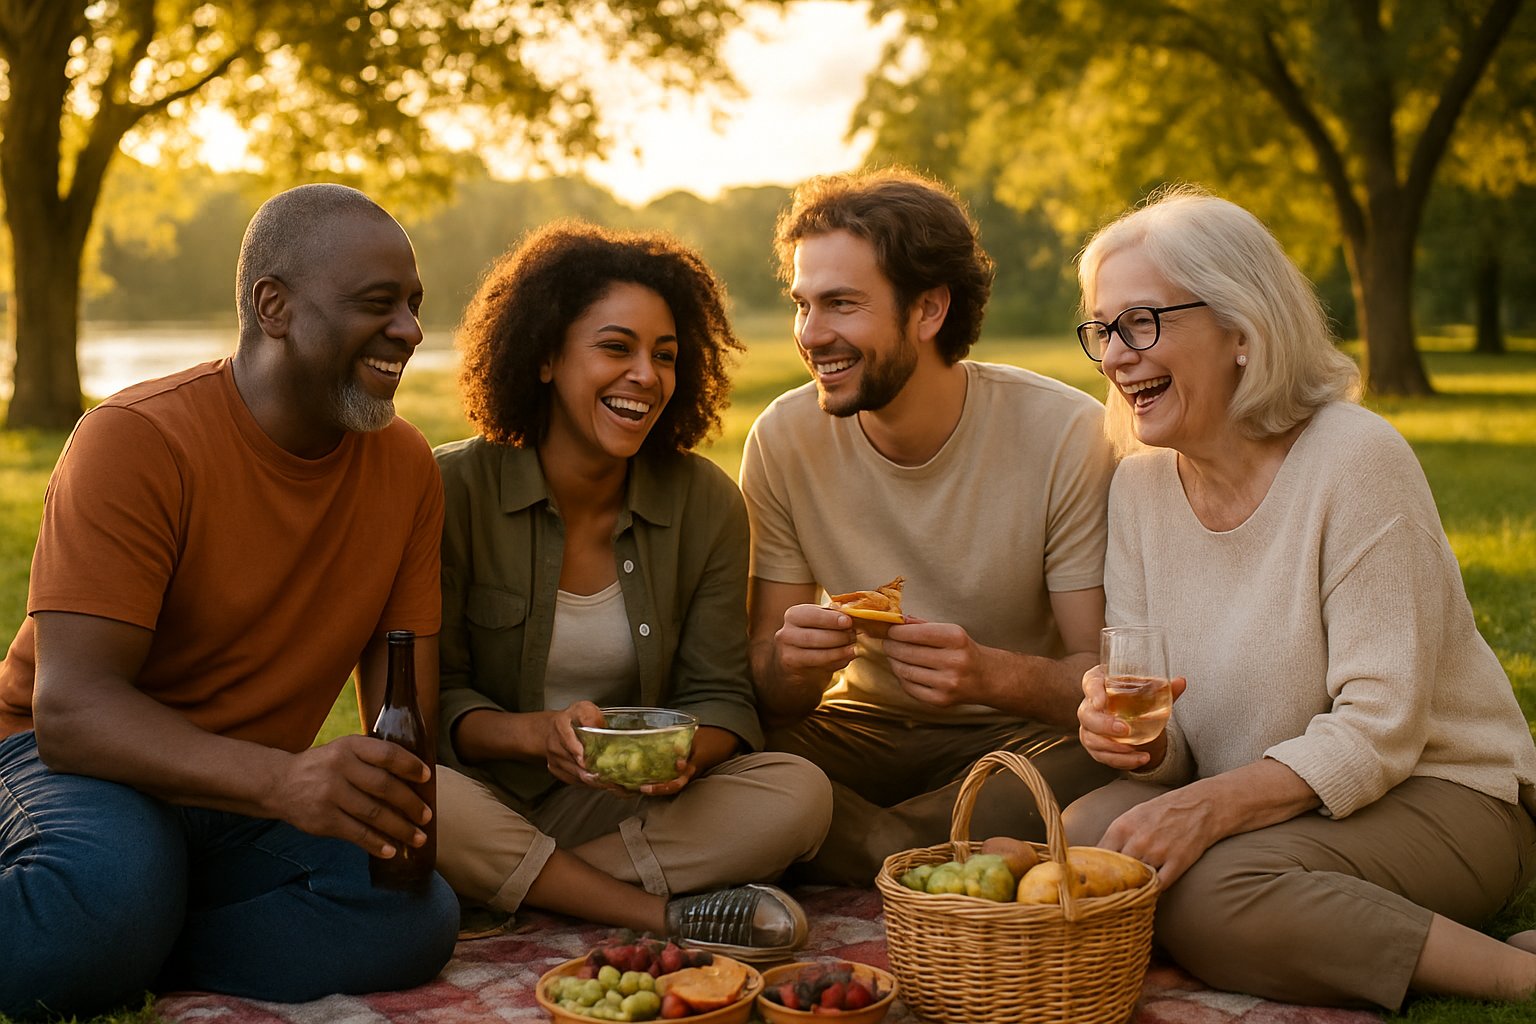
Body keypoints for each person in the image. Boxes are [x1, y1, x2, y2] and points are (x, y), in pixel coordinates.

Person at [1065, 185, 1536, 1009]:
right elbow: (1175, 745)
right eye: (1103, 330)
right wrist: (1131, 737)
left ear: (1242, 330)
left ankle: (1517, 972)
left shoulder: (1355, 458)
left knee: (1203, 893)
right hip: (1276, 793)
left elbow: (1380, 729)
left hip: (1443, 793)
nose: (1115, 355)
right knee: (1076, 838)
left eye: (1141, 323)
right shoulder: (1139, 487)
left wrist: (1208, 809)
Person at [0, 184, 460, 1019]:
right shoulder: (137, 440)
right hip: (61, 763)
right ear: (274, 306)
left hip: (236, 798)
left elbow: (404, 708)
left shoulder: (405, 467)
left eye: (415, 306)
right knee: (110, 886)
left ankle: (136, 936)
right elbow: (71, 713)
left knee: (410, 908)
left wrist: (383, 809)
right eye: (377, 304)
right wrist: (284, 783)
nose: (410, 331)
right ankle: (108, 919)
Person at [431, 221, 832, 959]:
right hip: (482, 795)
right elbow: (434, 699)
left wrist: (684, 755)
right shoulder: (450, 489)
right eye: (616, 348)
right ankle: (660, 915)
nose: (645, 375)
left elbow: (723, 697)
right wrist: (532, 734)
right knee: (415, 790)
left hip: (621, 811)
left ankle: (516, 886)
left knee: (799, 792)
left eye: (666, 356)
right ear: (547, 356)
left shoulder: (705, 504)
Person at [739, 167, 1117, 885]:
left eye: (842, 305)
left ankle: (858, 845)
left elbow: (1094, 684)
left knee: (1110, 750)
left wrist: (987, 673)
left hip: (1015, 740)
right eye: (803, 305)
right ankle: (934, 854)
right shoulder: (783, 438)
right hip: (859, 729)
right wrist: (789, 665)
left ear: (929, 310)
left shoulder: (1065, 435)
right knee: (728, 748)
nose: (812, 335)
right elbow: (769, 689)